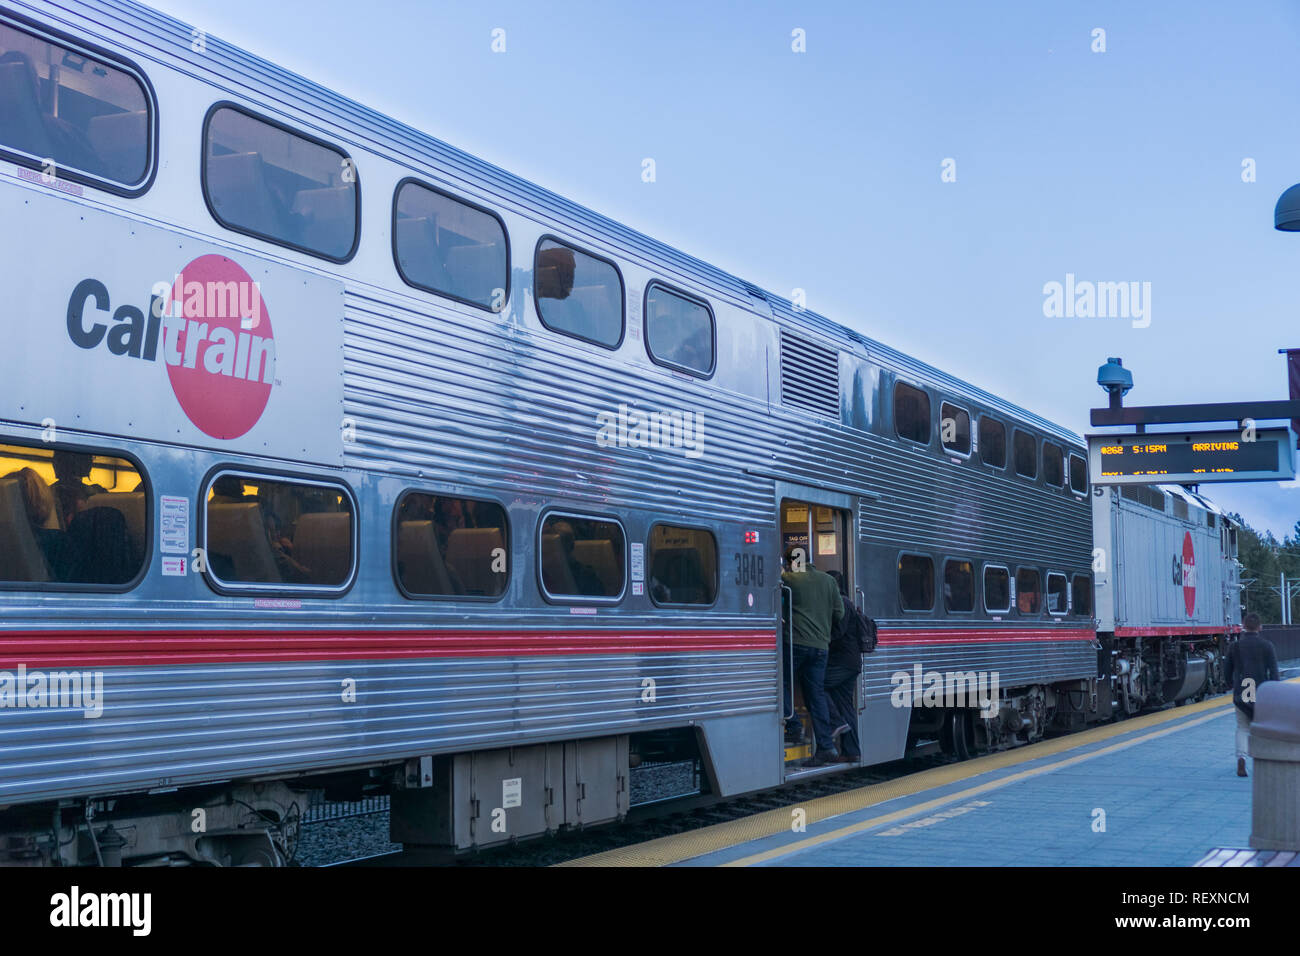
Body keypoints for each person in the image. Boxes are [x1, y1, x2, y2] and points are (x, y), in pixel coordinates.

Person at [781, 545, 844, 766]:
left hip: (796, 643)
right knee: (815, 695)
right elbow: (840, 613)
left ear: (791, 562)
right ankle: (826, 747)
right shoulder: (828, 581)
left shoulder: (788, 578)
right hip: (821, 648)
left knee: (781, 684)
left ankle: (794, 726)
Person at [1224, 612, 1280, 778]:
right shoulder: (1267, 645)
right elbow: (1274, 673)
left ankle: (1241, 757)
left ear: (1243, 626)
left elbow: (1227, 670)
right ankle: (1264, 759)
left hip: (1241, 694)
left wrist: (1230, 684)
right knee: (1263, 729)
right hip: (1262, 695)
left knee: (1242, 727)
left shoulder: (1235, 646)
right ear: (1260, 627)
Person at [825, 570, 870, 761]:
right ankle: (852, 751)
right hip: (850, 662)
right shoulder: (847, 602)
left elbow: (839, 633)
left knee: (816, 686)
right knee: (845, 705)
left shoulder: (842, 603)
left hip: (843, 662)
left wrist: (821, 640)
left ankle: (836, 722)